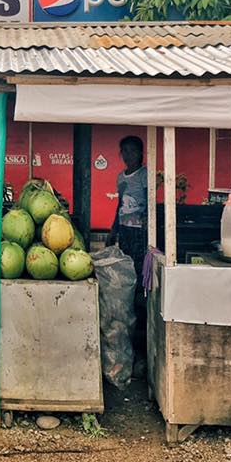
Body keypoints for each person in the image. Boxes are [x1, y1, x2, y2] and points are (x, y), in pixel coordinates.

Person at [109, 135, 148, 364]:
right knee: (128, 271)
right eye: (124, 151)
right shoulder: (120, 177)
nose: (128, 155)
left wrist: (148, 226)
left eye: (132, 151)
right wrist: (113, 230)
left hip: (140, 233)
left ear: (140, 153)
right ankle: (129, 308)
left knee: (141, 272)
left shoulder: (145, 175)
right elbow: (120, 204)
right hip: (124, 231)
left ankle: (140, 312)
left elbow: (150, 202)